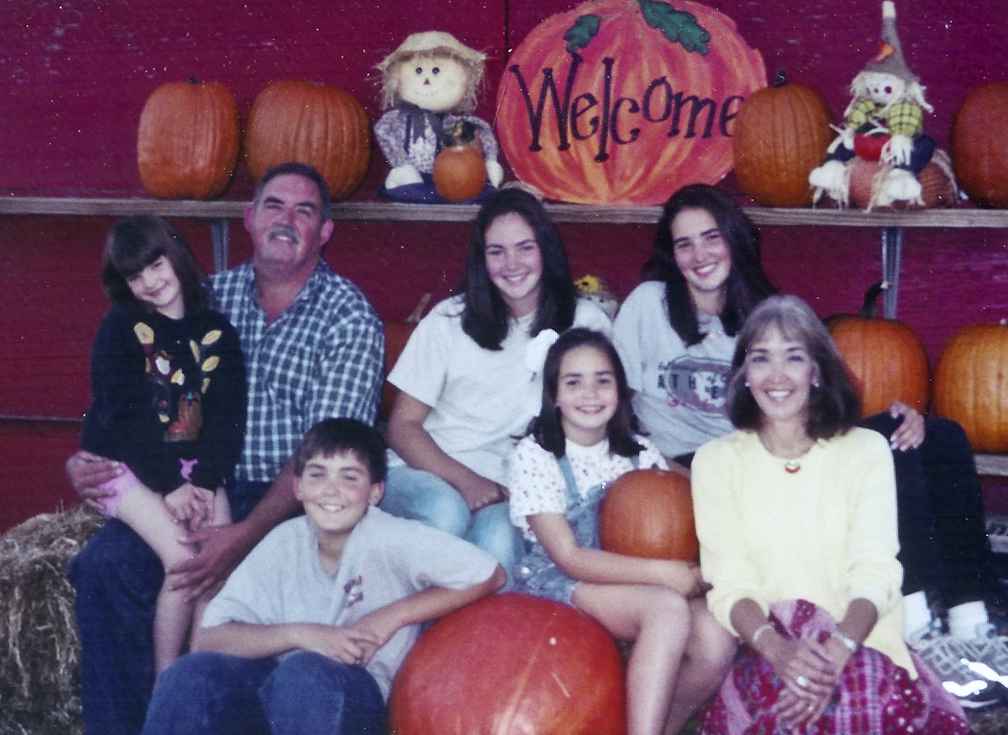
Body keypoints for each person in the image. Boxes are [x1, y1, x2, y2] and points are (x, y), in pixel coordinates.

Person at [612, 183, 1008, 709]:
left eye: (711, 238)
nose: (699, 254)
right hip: (690, 465)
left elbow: (801, 389)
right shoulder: (648, 306)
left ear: (733, 239)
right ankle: (916, 625)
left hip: (769, 440)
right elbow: (620, 406)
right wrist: (659, 467)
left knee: (934, 435)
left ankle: (969, 618)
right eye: (684, 244)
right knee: (884, 449)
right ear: (671, 252)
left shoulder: (759, 307)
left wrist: (900, 413)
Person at [66, 162, 385, 735]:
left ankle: (186, 703)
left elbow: (329, 458)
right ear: (249, 218)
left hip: (290, 501)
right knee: (106, 565)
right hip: (182, 480)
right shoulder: (206, 295)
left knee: (225, 583)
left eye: (304, 211)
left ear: (325, 231)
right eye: (273, 206)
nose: (286, 220)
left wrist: (242, 535)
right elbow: (124, 384)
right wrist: (84, 457)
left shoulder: (349, 316)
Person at [691, 294, 969, 734]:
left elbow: (875, 572)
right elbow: (729, 584)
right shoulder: (714, 462)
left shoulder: (866, 450)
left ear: (817, 372)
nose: (777, 376)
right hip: (767, 641)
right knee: (786, 713)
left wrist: (837, 652)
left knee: (851, 700)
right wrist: (780, 653)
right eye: (761, 359)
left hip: (857, 637)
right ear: (744, 375)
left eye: (794, 358)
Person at [140, 417, 505, 735]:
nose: (331, 490)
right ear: (298, 487)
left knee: (306, 675)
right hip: (278, 689)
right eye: (318, 475)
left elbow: (490, 573)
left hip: (352, 699)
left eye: (350, 478)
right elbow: (209, 638)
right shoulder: (285, 539)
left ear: (375, 492)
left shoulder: (392, 538)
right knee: (192, 675)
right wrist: (300, 634)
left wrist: (392, 616)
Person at [506, 328, 735, 735]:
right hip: (562, 583)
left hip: (639, 580)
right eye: (573, 382)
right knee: (666, 610)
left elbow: (700, 489)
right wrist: (666, 575)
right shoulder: (535, 456)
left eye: (603, 380)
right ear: (553, 395)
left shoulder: (638, 452)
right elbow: (569, 557)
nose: (590, 393)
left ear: (620, 390)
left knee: (716, 637)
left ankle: (661, 725)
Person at [381, 187, 611, 584]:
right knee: (444, 512)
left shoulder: (585, 322)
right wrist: (465, 481)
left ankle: (471, 646)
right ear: (480, 259)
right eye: (496, 251)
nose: (512, 264)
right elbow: (402, 426)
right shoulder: (448, 319)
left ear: (545, 251)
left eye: (525, 248)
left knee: (499, 544)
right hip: (426, 470)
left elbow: (606, 419)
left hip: (513, 489)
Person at [81, 214, 246, 679]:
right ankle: (166, 684)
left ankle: (199, 671)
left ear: (175, 256)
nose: (150, 282)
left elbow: (227, 420)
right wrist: (172, 486)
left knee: (216, 559)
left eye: (155, 265)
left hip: (195, 467)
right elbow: (124, 417)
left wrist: (206, 484)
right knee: (184, 561)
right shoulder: (121, 328)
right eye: (135, 276)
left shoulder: (216, 331)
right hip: (129, 464)